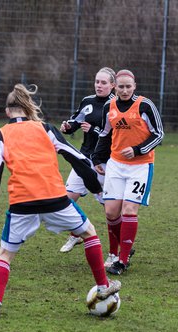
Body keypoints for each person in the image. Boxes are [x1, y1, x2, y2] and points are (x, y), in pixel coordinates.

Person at [0, 83, 121, 318]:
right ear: (27, 107)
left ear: (7, 112)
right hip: (55, 198)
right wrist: (94, 184)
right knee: (88, 233)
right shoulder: (45, 128)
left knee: (4, 254)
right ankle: (104, 287)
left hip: (21, 202)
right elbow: (76, 157)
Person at [92, 69, 164, 275]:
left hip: (140, 166)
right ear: (115, 87)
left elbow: (159, 134)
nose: (124, 91)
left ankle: (122, 261)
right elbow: (105, 133)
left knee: (129, 210)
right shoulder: (109, 105)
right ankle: (125, 248)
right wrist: (98, 157)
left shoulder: (144, 105)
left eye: (128, 87)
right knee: (110, 212)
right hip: (116, 164)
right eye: (121, 87)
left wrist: (137, 150)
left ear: (134, 86)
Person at [59, 67, 116, 253]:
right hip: (83, 158)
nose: (99, 85)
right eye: (97, 82)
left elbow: (116, 134)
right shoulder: (88, 101)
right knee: (67, 201)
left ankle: (121, 247)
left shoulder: (116, 105)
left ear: (113, 85)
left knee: (111, 210)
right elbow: (77, 120)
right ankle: (77, 234)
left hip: (104, 162)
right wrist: (67, 126)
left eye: (104, 83)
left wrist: (93, 130)